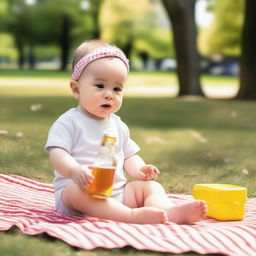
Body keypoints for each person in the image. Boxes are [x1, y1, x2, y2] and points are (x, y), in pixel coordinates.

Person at [45, 39, 207, 224]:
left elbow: (129, 155)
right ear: (76, 89)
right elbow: (57, 154)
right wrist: (74, 171)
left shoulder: (118, 125)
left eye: (117, 88)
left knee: (149, 188)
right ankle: (130, 216)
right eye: (100, 86)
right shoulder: (69, 122)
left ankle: (168, 211)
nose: (109, 94)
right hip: (77, 196)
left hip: (117, 194)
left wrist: (140, 170)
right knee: (79, 192)